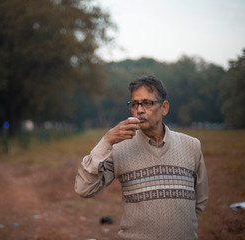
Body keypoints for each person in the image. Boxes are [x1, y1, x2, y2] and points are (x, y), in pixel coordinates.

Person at [75, 75, 208, 240]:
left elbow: (199, 201)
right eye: (134, 104)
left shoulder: (192, 146)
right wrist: (106, 141)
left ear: (164, 108)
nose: (139, 110)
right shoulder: (118, 148)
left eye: (147, 103)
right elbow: (84, 189)